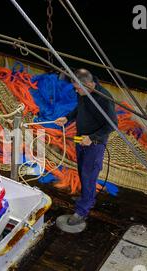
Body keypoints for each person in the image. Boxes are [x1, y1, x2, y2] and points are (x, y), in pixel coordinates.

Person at [54, 69, 118, 228]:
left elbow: (112, 125)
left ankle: (82, 211)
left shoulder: (104, 98)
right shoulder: (82, 92)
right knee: (82, 170)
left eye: (78, 88)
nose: (76, 90)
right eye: (75, 87)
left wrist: (92, 138)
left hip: (94, 144)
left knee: (89, 175)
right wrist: (67, 118)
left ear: (89, 84)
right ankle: (86, 197)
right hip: (80, 139)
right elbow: (79, 109)